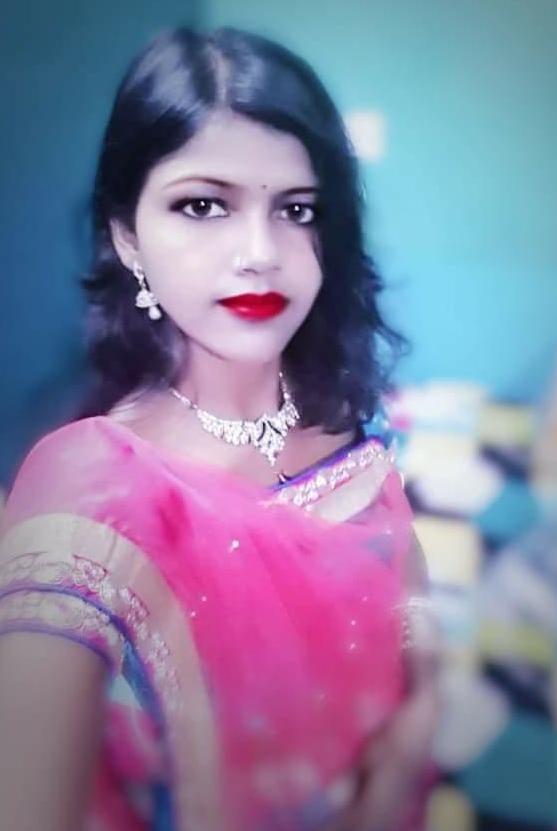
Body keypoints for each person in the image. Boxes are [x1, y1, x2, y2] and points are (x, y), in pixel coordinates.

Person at [0, 26, 438, 831]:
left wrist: (417, 724)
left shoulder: (347, 417)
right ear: (128, 234)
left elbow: (408, 599)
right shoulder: (90, 491)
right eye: (203, 205)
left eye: (297, 210)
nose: (259, 252)